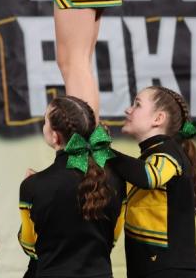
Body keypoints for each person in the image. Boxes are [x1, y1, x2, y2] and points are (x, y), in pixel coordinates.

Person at [112, 86, 196, 278]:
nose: (128, 110)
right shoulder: (147, 159)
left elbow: (150, 177)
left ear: (158, 119)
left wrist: (105, 153)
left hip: (169, 272)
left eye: (137, 104)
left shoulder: (168, 151)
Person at [19, 96, 123, 278]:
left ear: (55, 136)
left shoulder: (33, 186)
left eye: (45, 121)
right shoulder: (116, 180)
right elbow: (112, 239)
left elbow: (30, 245)